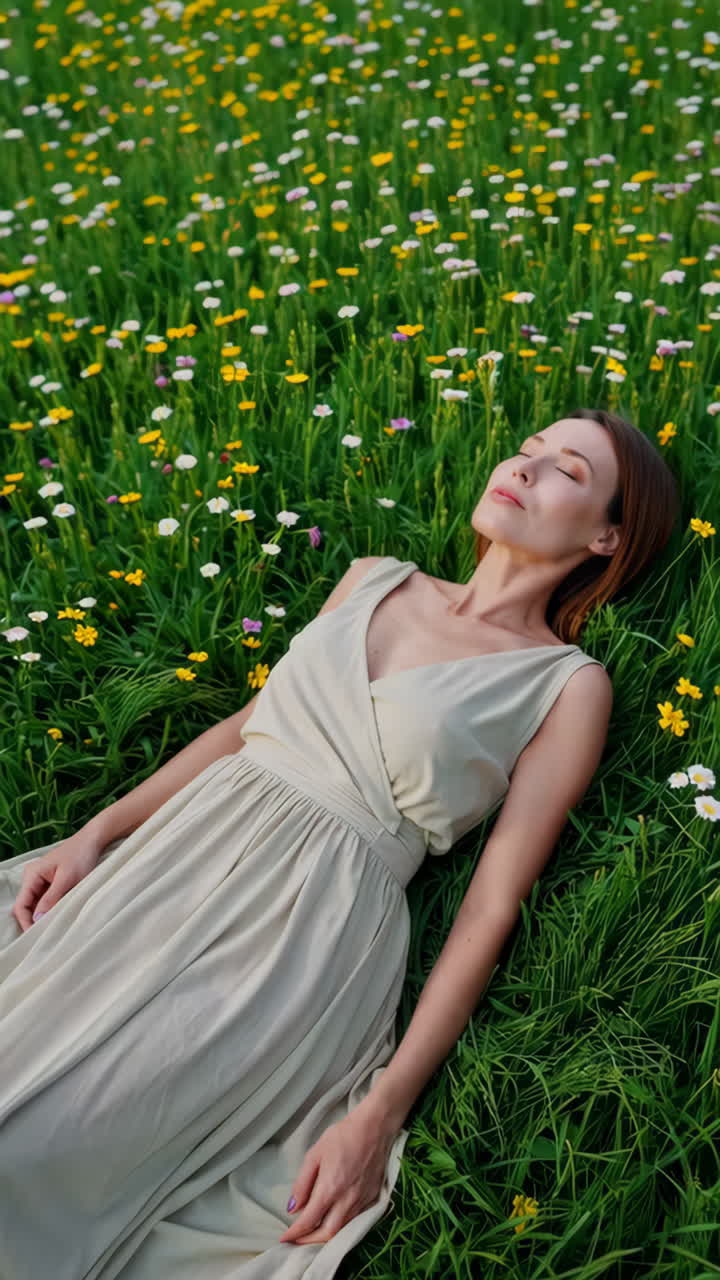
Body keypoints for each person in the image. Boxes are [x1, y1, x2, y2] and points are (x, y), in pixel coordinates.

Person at [0, 408, 679, 1279]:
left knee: (46, 1149)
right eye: (528, 449)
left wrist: (383, 1109)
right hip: (176, 859)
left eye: (568, 472)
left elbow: (490, 903)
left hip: (301, 934)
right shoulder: (373, 577)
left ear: (607, 537)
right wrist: (98, 832)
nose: (525, 465)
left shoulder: (566, 684)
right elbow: (251, 726)